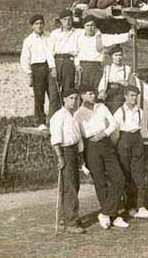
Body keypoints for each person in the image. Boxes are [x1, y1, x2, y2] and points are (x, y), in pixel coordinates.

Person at [74, 85, 127, 229]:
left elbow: (113, 123)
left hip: (105, 142)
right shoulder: (78, 114)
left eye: (94, 93)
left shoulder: (101, 107)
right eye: (90, 94)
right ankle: (113, 215)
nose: (93, 96)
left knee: (119, 178)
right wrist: (82, 160)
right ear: (82, 96)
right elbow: (78, 137)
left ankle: (105, 212)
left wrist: (103, 134)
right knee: (100, 181)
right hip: (90, 146)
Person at [113, 85, 148, 219]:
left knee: (139, 174)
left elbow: (144, 127)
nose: (134, 98)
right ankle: (130, 206)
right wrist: (118, 146)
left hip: (137, 139)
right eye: (131, 95)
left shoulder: (140, 111)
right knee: (126, 174)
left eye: (136, 96)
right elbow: (114, 131)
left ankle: (141, 206)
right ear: (125, 96)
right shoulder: (120, 112)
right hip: (124, 140)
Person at [49, 88, 86, 234]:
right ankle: (70, 222)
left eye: (76, 98)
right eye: (71, 98)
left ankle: (68, 216)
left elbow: (78, 137)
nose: (74, 101)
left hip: (74, 152)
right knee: (69, 186)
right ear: (64, 99)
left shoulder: (74, 115)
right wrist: (60, 157)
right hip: (65, 151)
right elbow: (55, 140)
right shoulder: (59, 116)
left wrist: (81, 155)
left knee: (74, 185)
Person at [20, 14, 59, 129]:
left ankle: (55, 120)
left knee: (54, 95)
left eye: (41, 23)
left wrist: (53, 67)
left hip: (50, 67)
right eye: (36, 24)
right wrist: (29, 74)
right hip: (37, 68)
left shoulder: (50, 36)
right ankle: (40, 121)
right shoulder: (28, 40)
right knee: (39, 96)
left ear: (44, 24)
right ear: (32, 26)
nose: (39, 26)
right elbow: (24, 58)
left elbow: (54, 51)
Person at [74, 16, 133, 91]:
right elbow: (75, 52)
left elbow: (115, 38)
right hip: (83, 67)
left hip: (96, 67)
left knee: (96, 90)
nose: (90, 28)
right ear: (84, 27)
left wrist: (128, 35)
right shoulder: (79, 37)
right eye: (87, 25)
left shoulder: (101, 37)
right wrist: (77, 64)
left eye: (92, 25)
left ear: (95, 26)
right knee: (82, 90)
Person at [50, 9, 80, 97]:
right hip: (57, 62)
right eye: (65, 19)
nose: (67, 22)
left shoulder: (77, 33)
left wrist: (77, 65)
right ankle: (54, 111)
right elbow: (49, 52)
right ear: (60, 21)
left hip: (69, 63)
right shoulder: (54, 33)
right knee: (54, 92)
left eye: (70, 19)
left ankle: (67, 110)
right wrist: (52, 67)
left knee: (68, 91)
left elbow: (78, 52)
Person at [98, 45, 134, 113]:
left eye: (120, 55)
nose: (118, 58)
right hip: (109, 91)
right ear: (112, 56)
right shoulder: (108, 68)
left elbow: (131, 84)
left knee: (116, 109)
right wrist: (102, 91)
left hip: (120, 93)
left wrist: (127, 84)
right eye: (116, 55)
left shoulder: (127, 69)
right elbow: (103, 81)